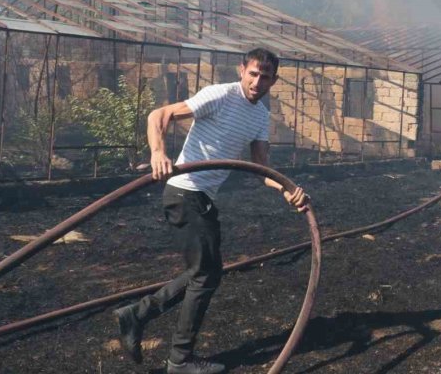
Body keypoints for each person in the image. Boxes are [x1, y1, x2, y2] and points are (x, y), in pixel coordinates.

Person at [113, 47, 308, 374]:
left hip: (202, 198)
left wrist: (287, 189)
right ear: (242, 70)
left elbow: (262, 169)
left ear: (274, 81)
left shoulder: (260, 116)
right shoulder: (219, 95)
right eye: (254, 74)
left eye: (266, 77)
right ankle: (179, 360)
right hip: (185, 192)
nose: (258, 82)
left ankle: (138, 314)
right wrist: (158, 153)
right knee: (205, 274)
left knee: (206, 272)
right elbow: (157, 116)